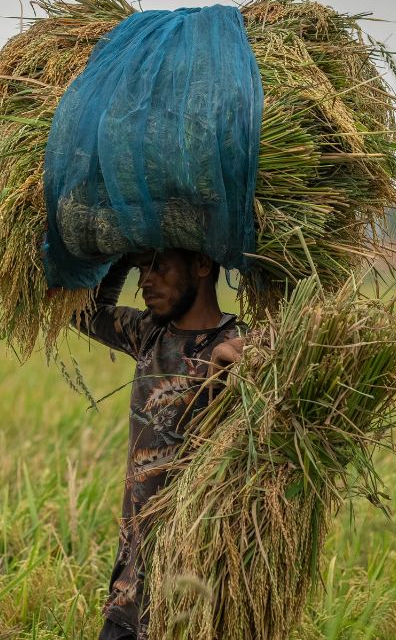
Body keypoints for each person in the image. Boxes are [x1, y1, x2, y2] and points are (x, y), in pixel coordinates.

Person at [75, 248, 246, 640]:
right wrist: (119, 246)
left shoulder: (239, 345)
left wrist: (238, 366)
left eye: (159, 268)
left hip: (195, 588)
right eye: (141, 269)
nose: (144, 281)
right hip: (131, 589)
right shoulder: (148, 334)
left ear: (202, 265)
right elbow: (83, 309)